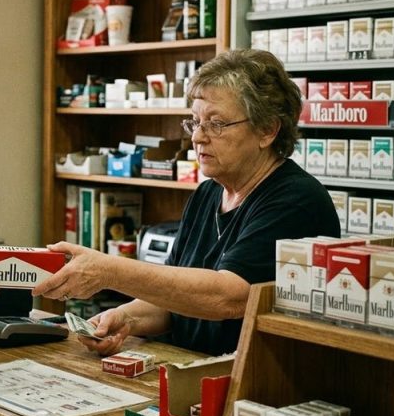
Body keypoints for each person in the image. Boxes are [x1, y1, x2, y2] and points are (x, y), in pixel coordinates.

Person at [32, 49, 340, 356]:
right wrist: (126, 317)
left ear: (267, 130)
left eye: (216, 124)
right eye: (194, 122)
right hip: (193, 373)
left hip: (255, 388)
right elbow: (173, 300)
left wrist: (110, 272)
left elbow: (229, 298)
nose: (198, 137)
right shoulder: (207, 195)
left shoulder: (296, 201)